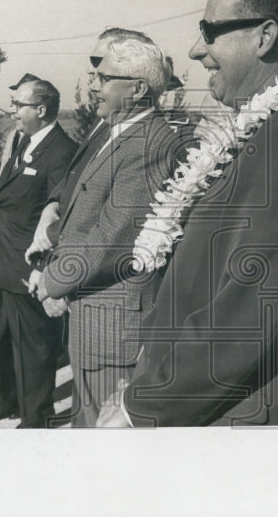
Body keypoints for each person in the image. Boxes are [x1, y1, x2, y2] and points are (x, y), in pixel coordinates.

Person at [98, 0, 278, 427]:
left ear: (266, 36)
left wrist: (146, 403)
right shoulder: (267, 131)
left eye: (210, 30)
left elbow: (247, 315)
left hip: (238, 419)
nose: (197, 49)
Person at [33, 30, 182, 427]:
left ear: (136, 88)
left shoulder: (149, 143)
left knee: (104, 445)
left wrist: (52, 280)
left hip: (113, 328)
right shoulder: (119, 131)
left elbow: (111, 236)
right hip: (95, 317)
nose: (93, 85)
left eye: (103, 78)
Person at [0, 74, 77, 427]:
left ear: (41, 109)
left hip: (25, 264)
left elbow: (57, 214)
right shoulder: (22, 141)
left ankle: (36, 415)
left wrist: (44, 265)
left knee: (32, 346)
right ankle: (0, 402)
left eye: (19, 105)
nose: (12, 110)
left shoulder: (62, 151)